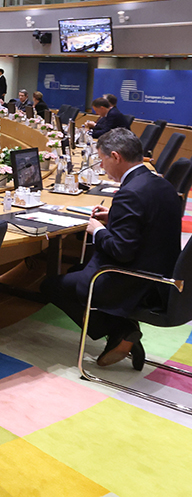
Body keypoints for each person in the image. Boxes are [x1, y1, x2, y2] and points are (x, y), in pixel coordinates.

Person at [42, 128, 182, 370]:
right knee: (75, 270)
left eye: (102, 159)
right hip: (162, 276)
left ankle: (122, 330)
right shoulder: (161, 183)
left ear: (116, 157)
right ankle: (123, 333)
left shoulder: (130, 193)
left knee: (51, 286)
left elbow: (121, 252)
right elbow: (150, 223)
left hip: (135, 280)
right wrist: (114, 216)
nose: (102, 166)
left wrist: (97, 229)